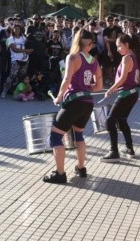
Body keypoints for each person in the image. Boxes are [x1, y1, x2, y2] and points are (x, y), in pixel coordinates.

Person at [43, 28, 103, 184]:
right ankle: (81, 168)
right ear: (90, 44)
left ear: (76, 41)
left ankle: (60, 174)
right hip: (88, 103)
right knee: (79, 135)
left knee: (55, 136)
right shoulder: (95, 62)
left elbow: (66, 80)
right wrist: (85, 87)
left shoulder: (73, 57)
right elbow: (98, 87)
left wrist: (59, 97)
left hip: (74, 103)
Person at [101, 33, 140, 161]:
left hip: (127, 94)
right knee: (122, 120)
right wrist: (116, 89)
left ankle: (113, 152)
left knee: (110, 121)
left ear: (126, 45)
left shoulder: (127, 58)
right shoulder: (134, 56)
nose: (117, 49)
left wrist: (110, 89)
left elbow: (123, 78)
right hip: (132, 93)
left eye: (119, 46)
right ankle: (129, 148)